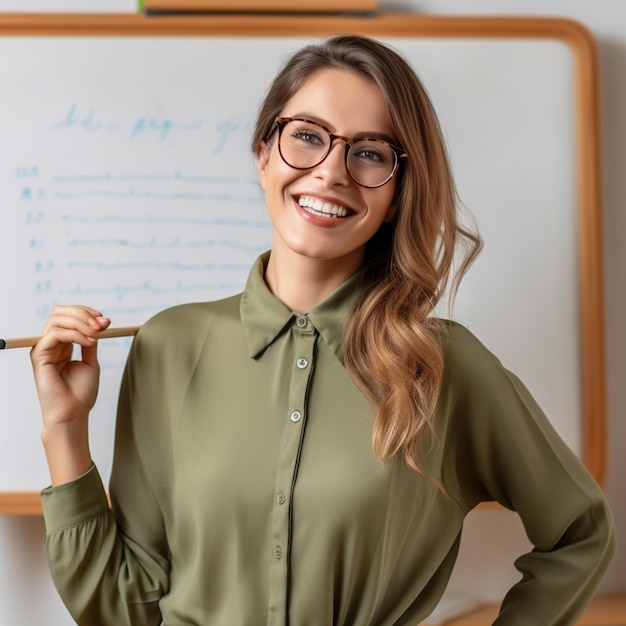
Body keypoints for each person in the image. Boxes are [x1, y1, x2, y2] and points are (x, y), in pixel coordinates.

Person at [30, 35, 615, 626]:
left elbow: (579, 532)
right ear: (263, 156)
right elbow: (123, 610)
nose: (332, 171)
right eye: (307, 136)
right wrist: (64, 429)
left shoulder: (444, 366)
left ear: (395, 193)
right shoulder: (168, 347)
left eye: (370, 152)